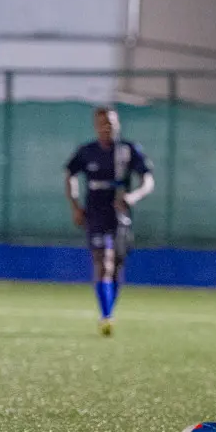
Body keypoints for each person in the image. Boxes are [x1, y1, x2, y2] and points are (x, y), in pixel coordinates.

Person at [65, 106, 154, 336]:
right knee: (103, 262)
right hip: (95, 214)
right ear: (96, 126)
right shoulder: (87, 152)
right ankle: (106, 316)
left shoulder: (128, 150)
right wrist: (75, 206)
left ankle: (109, 309)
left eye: (111, 124)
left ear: (117, 125)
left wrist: (133, 196)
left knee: (116, 267)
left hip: (120, 215)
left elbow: (148, 180)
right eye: (102, 124)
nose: (107, 128)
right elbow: (70, 174)